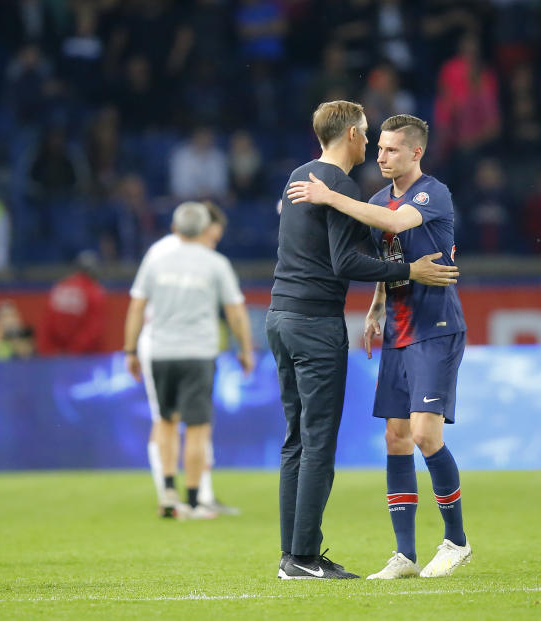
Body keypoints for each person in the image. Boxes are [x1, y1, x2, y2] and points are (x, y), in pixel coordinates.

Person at [268, 100, 459, 580]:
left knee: (417, 434)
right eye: (377, 143)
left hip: (429, 327)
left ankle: (455, 539)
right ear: (353, 135)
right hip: (370, 327)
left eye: (392, 148)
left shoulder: (430, 194)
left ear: (417, 153)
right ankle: (382, 555)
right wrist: (381, 298)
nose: (380, 154)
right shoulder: (363, 197)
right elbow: (356, 256)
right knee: (380, 440)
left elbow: (394, 230)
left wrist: (332, 197)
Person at [124, 202, 254, 521]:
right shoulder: (216, 263)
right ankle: (195, 501)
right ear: (206, 230)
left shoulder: (156, 260)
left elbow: (137, 306)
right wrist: (245, 349)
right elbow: (235, 311)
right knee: (197, 427)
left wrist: (129, 350)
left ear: (175, 228)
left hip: (160, 351)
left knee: (165, 422)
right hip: (198, 353)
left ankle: (169, 492)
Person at [37, 250, 106, 355]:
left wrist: (50, 352)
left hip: (55, 356)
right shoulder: (94, 291)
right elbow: (93, 330)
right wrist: (73, 351)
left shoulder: (61, 287)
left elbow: (47, 323)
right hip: (82, 358)